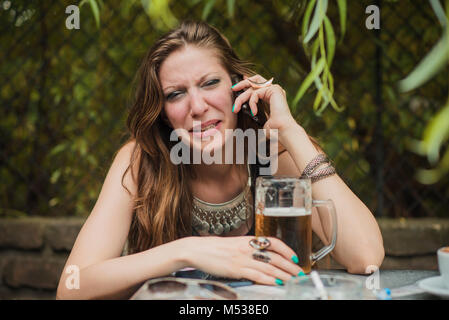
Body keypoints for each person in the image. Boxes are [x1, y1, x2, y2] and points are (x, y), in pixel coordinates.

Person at [56, 20, 384, 300]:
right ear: (165, 115)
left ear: (236, 86)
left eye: (210, 83)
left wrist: (290, 130)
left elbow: (366, 258)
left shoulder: (274, 152)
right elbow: (71, 286)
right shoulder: (144, 160)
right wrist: (187, 251)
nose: (197, 106)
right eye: (176, 94)